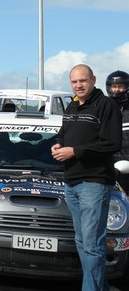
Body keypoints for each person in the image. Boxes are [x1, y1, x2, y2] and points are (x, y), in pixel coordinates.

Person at [52, 64, 122, 291]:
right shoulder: (72, 106)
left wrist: (75, 151)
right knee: (82, 242)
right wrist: (58, 144)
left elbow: (112, 143)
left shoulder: (106, 105)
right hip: (71, 180)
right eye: (74, 82)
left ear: (93, 79)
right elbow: (63, 133)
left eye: (82, 80)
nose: (78, 85)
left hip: (94, 181)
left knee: (92, 244)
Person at [106, 70, 129, 193]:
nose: (117, 90)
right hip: (110, 166)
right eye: (114, 86)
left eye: (120, 86)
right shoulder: (104, 107)